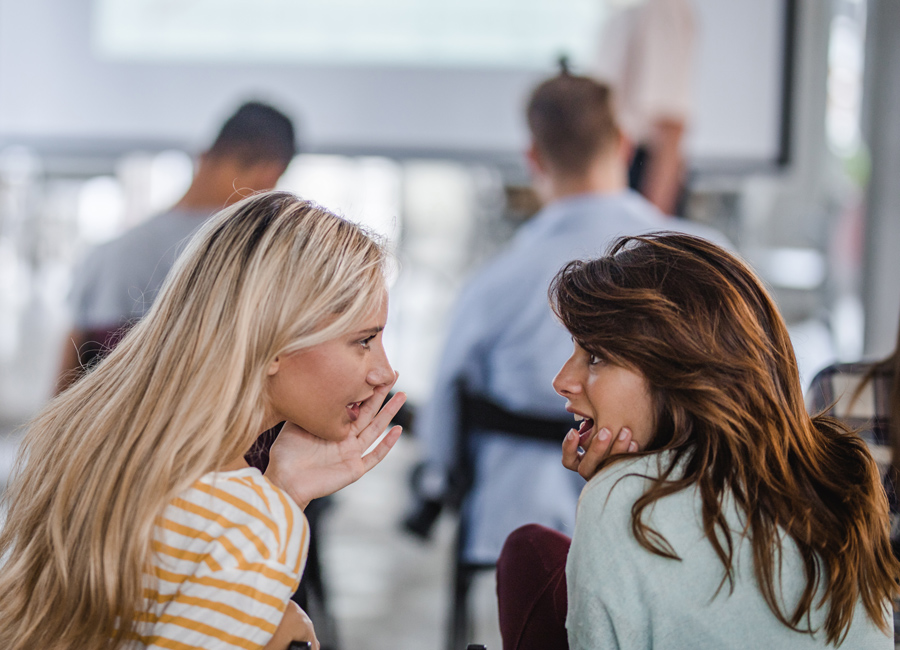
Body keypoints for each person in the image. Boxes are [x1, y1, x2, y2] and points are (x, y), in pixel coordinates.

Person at [0, 191, 405, 650]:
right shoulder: (249, 526)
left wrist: (282, 491)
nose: (385, 372)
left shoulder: (83, 441)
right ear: (276, 339)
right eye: (364, 340)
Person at [496, 233, 898, 649]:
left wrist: (615, 491)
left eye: (596, 357)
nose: (562, 381)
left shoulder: (619, 499)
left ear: (680, 372)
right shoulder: (845, 473)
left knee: (528, 555)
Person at [409, 72, 725, 568]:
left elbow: (443, 420)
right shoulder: (709, 260)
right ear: (624, 144)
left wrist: (436, 484)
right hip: (682, 522)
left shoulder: (493, 282)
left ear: (533, 158)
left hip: (524, 526)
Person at [56, 100, 296, 393]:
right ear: (269, 173)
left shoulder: (105, 253)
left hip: (105, 416)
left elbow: (67, 371)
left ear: (203, 156)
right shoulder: (259, 257)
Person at [592, 0, 696, 215]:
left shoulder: (662, 7)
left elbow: (670, 122)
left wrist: (652, 225)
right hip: (618, 169)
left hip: (643, 172)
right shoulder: (618, 9)